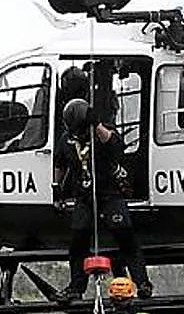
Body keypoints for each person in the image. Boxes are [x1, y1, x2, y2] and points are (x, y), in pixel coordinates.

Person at [54, 97, 153, 301]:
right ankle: (76, 287)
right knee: (78, 244)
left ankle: (142, 283)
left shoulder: (100, 134)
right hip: (84, 197)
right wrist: (57, 189)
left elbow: (115, 145)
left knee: (126, 239)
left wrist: (95, 123)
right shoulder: (66, 140)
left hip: (110, 195)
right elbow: (60, 165)